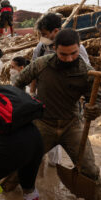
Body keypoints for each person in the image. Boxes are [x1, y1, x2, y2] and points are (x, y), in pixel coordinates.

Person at [14, 29, 101, 198]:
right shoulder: (41, 64)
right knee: (18, 166)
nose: (69, 59)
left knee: (90, 170)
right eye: (63, 54)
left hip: (72, 125)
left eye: (73, 54)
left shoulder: (87, 72)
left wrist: (95, 109)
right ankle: (2, 192)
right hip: (43, 124)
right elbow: (17, 83)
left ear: (79, 47)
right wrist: (24, 107)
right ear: (54, 48)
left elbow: (97, 98)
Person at [32, 13, 90, 167]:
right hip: (45, 99)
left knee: (61, 136)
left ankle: (54, 167)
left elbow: (86, 73)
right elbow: (33, 72)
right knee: (40, 137)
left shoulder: (77, 48)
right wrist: (32, 94)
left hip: (67, 101)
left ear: (55, 31)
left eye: (44, 34)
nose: (42, 37)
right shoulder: (41, 47)